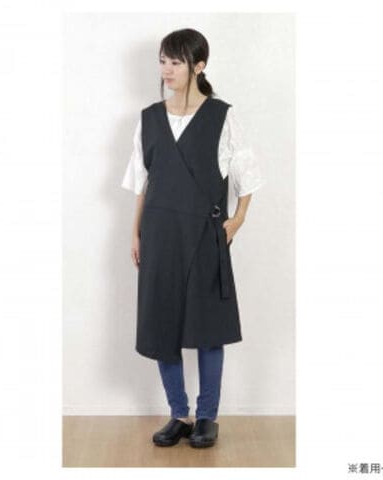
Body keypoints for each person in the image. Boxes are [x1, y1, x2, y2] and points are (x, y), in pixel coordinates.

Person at [121, 28, 265, 448]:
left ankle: (207, 417)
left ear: (198, 66)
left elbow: (247, 175)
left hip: (205, 234)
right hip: (159, 234)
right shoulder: (149, 118)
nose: (166, 70)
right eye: (162, 61)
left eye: (175, 62)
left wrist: (237, 221)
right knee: (161, 323)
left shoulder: (222, 115)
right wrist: (135, 232)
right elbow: (143, 182)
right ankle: (179, 414)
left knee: (207, 327)